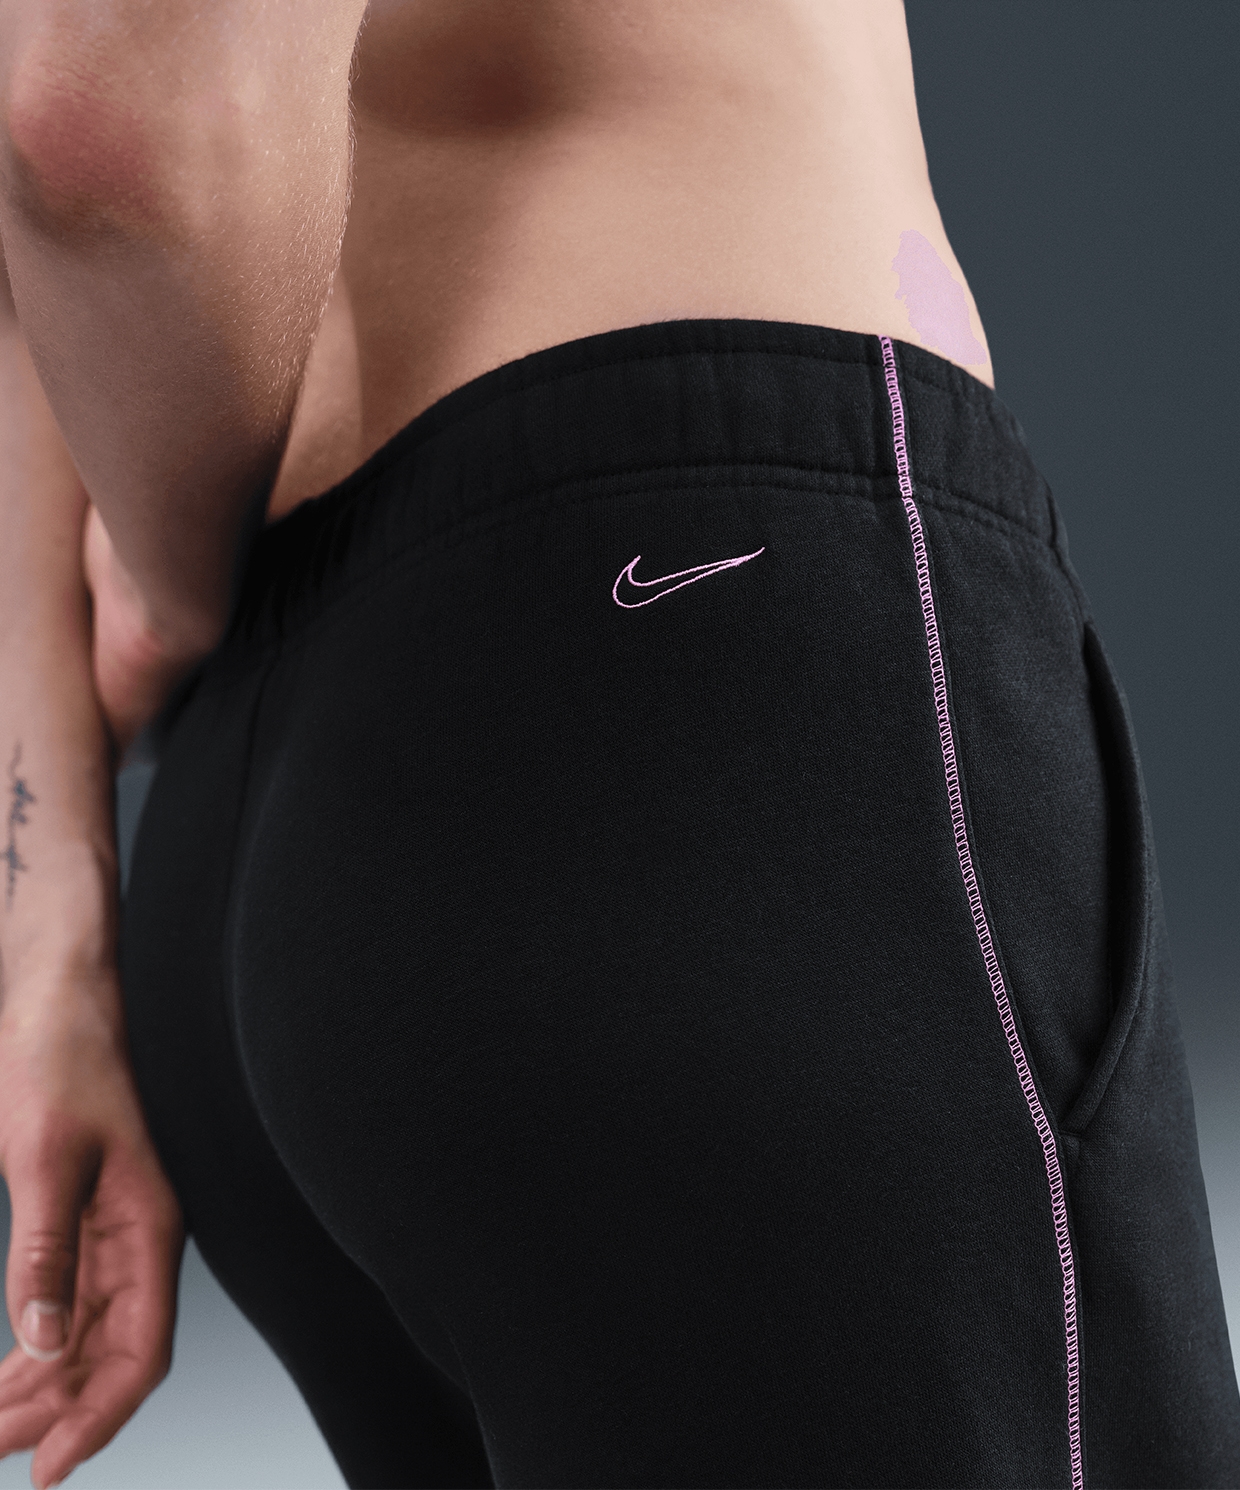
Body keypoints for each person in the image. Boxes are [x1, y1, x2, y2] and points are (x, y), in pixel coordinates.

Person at [0, 3, 1236, 1487]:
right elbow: (103, 123)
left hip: (272, 851)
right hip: (690, 670)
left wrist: (53, 919)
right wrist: (170, 582)